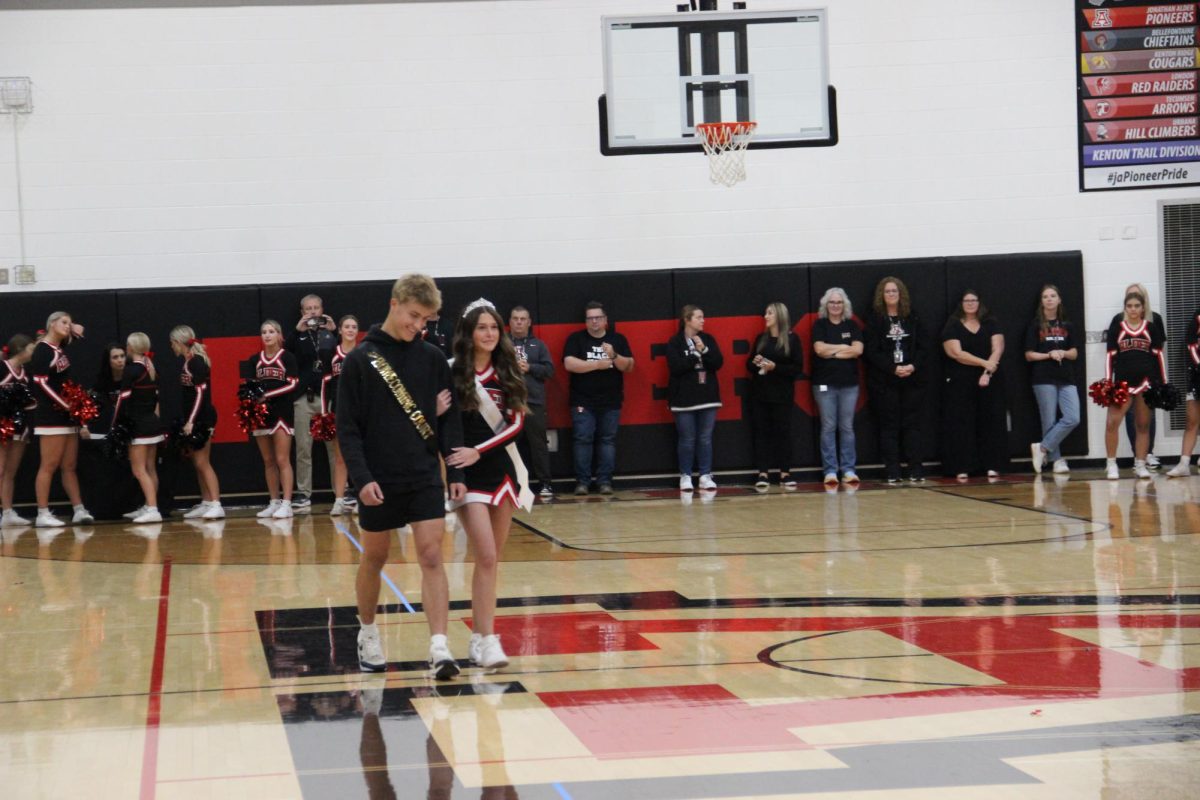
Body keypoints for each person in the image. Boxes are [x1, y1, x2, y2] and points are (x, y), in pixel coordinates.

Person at [337, 274, 465, 679]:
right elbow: (348, 429)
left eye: (425, 319)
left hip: (424, 474)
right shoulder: (361, 360)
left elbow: (450, 419)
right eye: (413, 315)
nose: (418, 325)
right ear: (394, 304)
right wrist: (361, 479)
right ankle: (368, 632)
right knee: (375, 557)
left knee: (431, 555)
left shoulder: (432, 358)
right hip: (378, 478)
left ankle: (439, 646)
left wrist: (454, 468)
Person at [446, 299, 535, 671]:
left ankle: (481, 637)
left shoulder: (507, 371)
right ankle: (487, 638)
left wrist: (478, 451)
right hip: (466, 476)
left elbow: (516, 425)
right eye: (481, 327)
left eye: (494, 327)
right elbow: (439, 425)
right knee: (484, 554)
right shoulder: (451, 372)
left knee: (491, 560)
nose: (489, 333)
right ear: (469, 333)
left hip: (500, 472)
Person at [28, 311, 94, 527]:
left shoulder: (58, 348)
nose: (68, 326)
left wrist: (73, 410)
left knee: (69, 465)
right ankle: (42, 513)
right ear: (51, 324)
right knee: (49, 465)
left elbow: (78, 331)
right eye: (63, 322)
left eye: (69, 322)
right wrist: (66, 405)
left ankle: (79, 509)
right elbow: (41, 383)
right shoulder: (42, 350)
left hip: (67, 416)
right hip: (51, 415)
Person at [562, 301, 634, 495]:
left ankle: (605, 482)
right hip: (582, 400)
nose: (594, 321)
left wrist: (614, 355)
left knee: (607, 440)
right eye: (590, 318)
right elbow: (569, 363)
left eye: (598, 318)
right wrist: (596, 365)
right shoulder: (576, 339)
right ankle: (582, 482)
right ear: (586, 321)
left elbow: (629, 366)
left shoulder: (617, 339)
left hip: (611, 400)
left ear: (605, 320)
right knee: (582, 439)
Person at [864, 277, 927, 483]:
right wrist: (893, 368)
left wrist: (912, 366)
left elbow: (923, 347)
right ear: (881, 295)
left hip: (911, 379)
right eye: (887, 291)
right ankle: (893, 470)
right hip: (885, 381)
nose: (891, 294)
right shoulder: (875, 319)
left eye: (894, 291)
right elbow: (872, 351)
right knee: (889, 426)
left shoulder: (912, 316)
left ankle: (915, 469)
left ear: (901, 294)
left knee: (912, 425)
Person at [941, 290, 1007, 479]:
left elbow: (997, 349)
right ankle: (962, 465)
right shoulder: (953, 325)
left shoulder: (990, 323)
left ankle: (992, 464)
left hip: (988, 380)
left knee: (990, 421)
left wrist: (987, 372)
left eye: (974, 300)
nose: (970, 303)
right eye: (966, 300)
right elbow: (956, 353)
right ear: (961, 303)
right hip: (961, 381)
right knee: (962, 423)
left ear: (979, 303)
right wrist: (983, 363)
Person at [1105, 289, 1165, 480]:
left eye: (1137, 306)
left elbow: (1158, 356)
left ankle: (1140, 464)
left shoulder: (1150, 328)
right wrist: (1108, 382)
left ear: (1142, 308)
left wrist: (1162, 382)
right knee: (1112, 422)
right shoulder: (1118, 328)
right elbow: (1110, 357)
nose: (1133, 309)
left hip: (1145, 382)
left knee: (1143, 425)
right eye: (1129, 306)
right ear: (1125, 308)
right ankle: (1111, 464)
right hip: (1122, 383)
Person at [286, 294, 337, 512]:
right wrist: (297, 331)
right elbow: (285, 354)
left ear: (322, 309)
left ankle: (341, 492)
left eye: (316, 308)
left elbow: (343, 355)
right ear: (302, 312)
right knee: (303, 448)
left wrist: (335, 331)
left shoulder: (330, 334)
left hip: (327, 397)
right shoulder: (298, 335)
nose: (313, 312)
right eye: (308, 308)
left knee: (334, 448)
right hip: (304, 398)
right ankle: (303, 493)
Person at [746, 302, 803, 489]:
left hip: (782, 395)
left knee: (783, 433)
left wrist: (775, 367)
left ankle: (785, 473)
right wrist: (755, 362)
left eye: (769, 313)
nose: (766, 316)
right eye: (766, 313)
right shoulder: (761, 339)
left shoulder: (792, 339)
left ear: (779, 316)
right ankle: (763, 473)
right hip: (760, 393)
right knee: (761, 433)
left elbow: (797, 369)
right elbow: (749, 365)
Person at [666, 305, 723, 491]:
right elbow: (676, 368)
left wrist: (704, 350)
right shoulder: (675, 342)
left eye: (703, 317)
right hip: (683, 400)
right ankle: (686, 475)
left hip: (707, 396)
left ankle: (705, 475)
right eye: (699, 317)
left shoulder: (708, 339)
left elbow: (718, 363)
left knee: (705, 438)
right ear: (687, 320)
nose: (703, 320)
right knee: (687, 439)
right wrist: (695, 355)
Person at [1024, 285, 1080, 476]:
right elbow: (1029, 355)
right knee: (1049, 421)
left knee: (1073, 417)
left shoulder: (1067, 325)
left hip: (1066, 377)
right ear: (1041, 302)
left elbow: (1074, 353)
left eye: (1053, 296)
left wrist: (1063, 352)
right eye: (1045, 296)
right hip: (1043, 377)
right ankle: (1057, 460)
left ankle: (1042, 448)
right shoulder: (1035, 325)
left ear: (1059, 299)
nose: (1049, 299)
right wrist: (1049, 355)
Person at [811, 288, 863, 487]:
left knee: (847, 427)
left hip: (849, 385)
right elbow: (819, 349)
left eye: (839, 302)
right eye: (832, 302)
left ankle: (848, 470)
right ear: (826, 305)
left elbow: (857, 350)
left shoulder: (852, 325)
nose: (835, 306)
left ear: (844, 305)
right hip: (824, 384)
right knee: (828, 427)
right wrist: (842, 347)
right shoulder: (820, 325)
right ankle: (830, 471)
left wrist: (831, 351)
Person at [170, 326, 223, 520]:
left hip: (202, 418)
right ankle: (207, 502)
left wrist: (191, 421)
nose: (171, 347)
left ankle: (216, 504)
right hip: (193, 418)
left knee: (203, 462)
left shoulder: (196, 362)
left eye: (172, 343)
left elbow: (201, 394)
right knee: (197, 462)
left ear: (179, 342)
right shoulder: (189, 360)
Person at [112, 332, 165, 524]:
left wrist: (115, 423)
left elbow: (122, 400)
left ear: (131, 348)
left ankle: (152, 509)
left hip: (139, 426)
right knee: (150, 468)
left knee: (139, 470)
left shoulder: (132, 370)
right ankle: (149, 506)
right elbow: (156, 399)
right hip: (153, 423)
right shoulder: (151, 368)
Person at [252, 320, 300, 519]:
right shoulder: (255, 359)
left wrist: (267, 395)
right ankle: (274, 502)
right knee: (268, 460)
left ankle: (287, 503)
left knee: (282, 459)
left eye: (271, 331)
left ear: (279, 335)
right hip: (262, 414)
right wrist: (253, 398)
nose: (267, 335)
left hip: (282, 413)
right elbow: (249, 386)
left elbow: (293, 384)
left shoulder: (287, 357)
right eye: (264, 332)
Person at [507, 305, 555, 497]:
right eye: (515, 318)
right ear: (510, 322)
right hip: (509, 403)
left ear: (529, 322)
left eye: (522, 319)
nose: (519, 322)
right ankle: (512, 485)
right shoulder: (502, 344)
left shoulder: (539, 345)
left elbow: (549, 370)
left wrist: (530, 367)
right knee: (509, 446)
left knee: (538, 445)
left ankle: (545, 484)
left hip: (533, 403)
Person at [324, 315, 359, 516]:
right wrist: (325, 412)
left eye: (354, 327)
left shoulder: (364, 353)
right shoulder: (332, 354)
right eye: (347, 326)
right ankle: (339, 500)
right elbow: (324, 384)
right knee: (340, 458)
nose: (350, 330)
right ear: (340, 330)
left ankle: (362, 499)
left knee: (362, 456)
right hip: (339, 410)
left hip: (361, 412)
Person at [0, 334, 37, 526]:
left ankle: (7, 513)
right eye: (31, 349)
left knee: (10, 471)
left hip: (20, 427)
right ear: (21, 350)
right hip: (2, 424)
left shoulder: (25, 372)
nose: (33, 353)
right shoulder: (3, 368)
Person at [1167, 305, 1200, 477]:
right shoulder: (1197, 317)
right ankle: (1184, 464)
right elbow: (1191, 345)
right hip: (1198, 375)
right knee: (1191, 420)